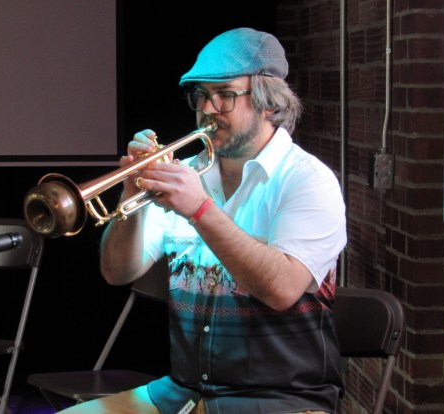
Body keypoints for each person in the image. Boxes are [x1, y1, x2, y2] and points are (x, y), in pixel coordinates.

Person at [60, 27, 347, 414]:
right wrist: (131, 197)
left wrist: (199, 210)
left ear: (270, 103)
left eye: (225, 95)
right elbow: (117, 272)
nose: (208, 109)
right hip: (185, 393)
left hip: (283, 399)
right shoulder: (186, 174)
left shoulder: (307, 181)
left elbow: (282, 289)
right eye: (200, 95)